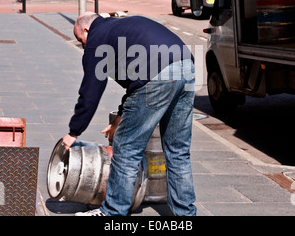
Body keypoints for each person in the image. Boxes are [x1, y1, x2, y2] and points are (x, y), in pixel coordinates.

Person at [62, 12, 196, 216]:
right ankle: (186, 215)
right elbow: (136, 83)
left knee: (126, 148)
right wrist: (121, 114)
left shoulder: (97, 39)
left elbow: (91, 90)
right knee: (178, 150)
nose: (83, 46)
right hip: (186, 66)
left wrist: (74, 131)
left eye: (81, 40)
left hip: (158, 74)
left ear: (86, 29)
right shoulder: (119, 28)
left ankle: (113, 212)